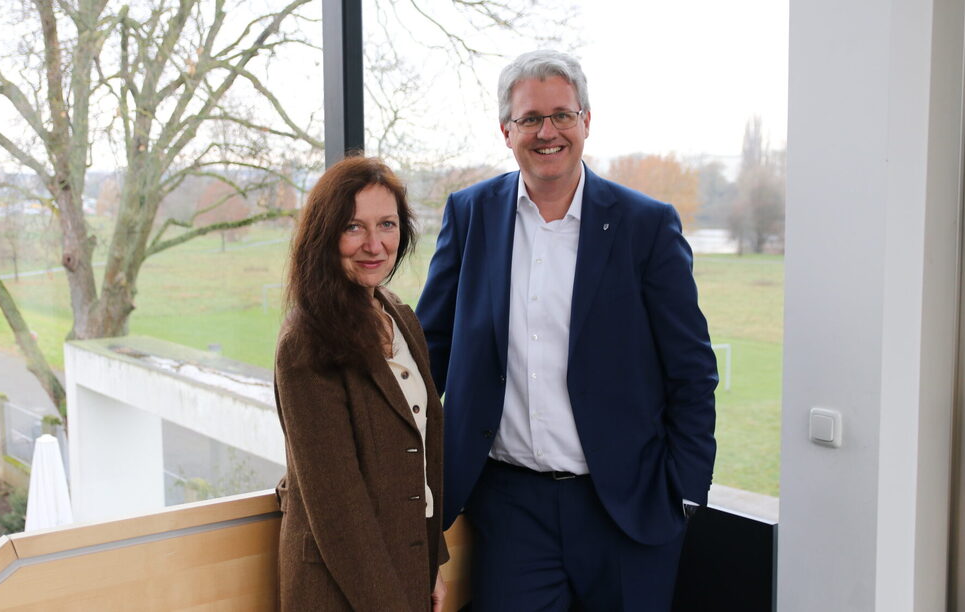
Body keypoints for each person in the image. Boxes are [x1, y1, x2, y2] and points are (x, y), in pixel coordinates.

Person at [416, 49, 718, 610]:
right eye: (530, 118)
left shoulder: (646, 225)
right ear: (506, 131)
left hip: (628, 509)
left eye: (562, 115)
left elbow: (693, 372)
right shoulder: (470, 214)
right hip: (510, 510)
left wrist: (685, 493)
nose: (547, 131)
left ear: (586, 122)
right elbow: (428, 349)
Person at [275, 155, 447, 611]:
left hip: (404, 568)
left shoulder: (400, 316)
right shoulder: (305, 340)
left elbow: (421, 454)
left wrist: (433, 563)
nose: (375, 244)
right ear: (325, 236)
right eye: (354, 227)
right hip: (340, 588)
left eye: (387, 225)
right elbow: (339, 511)